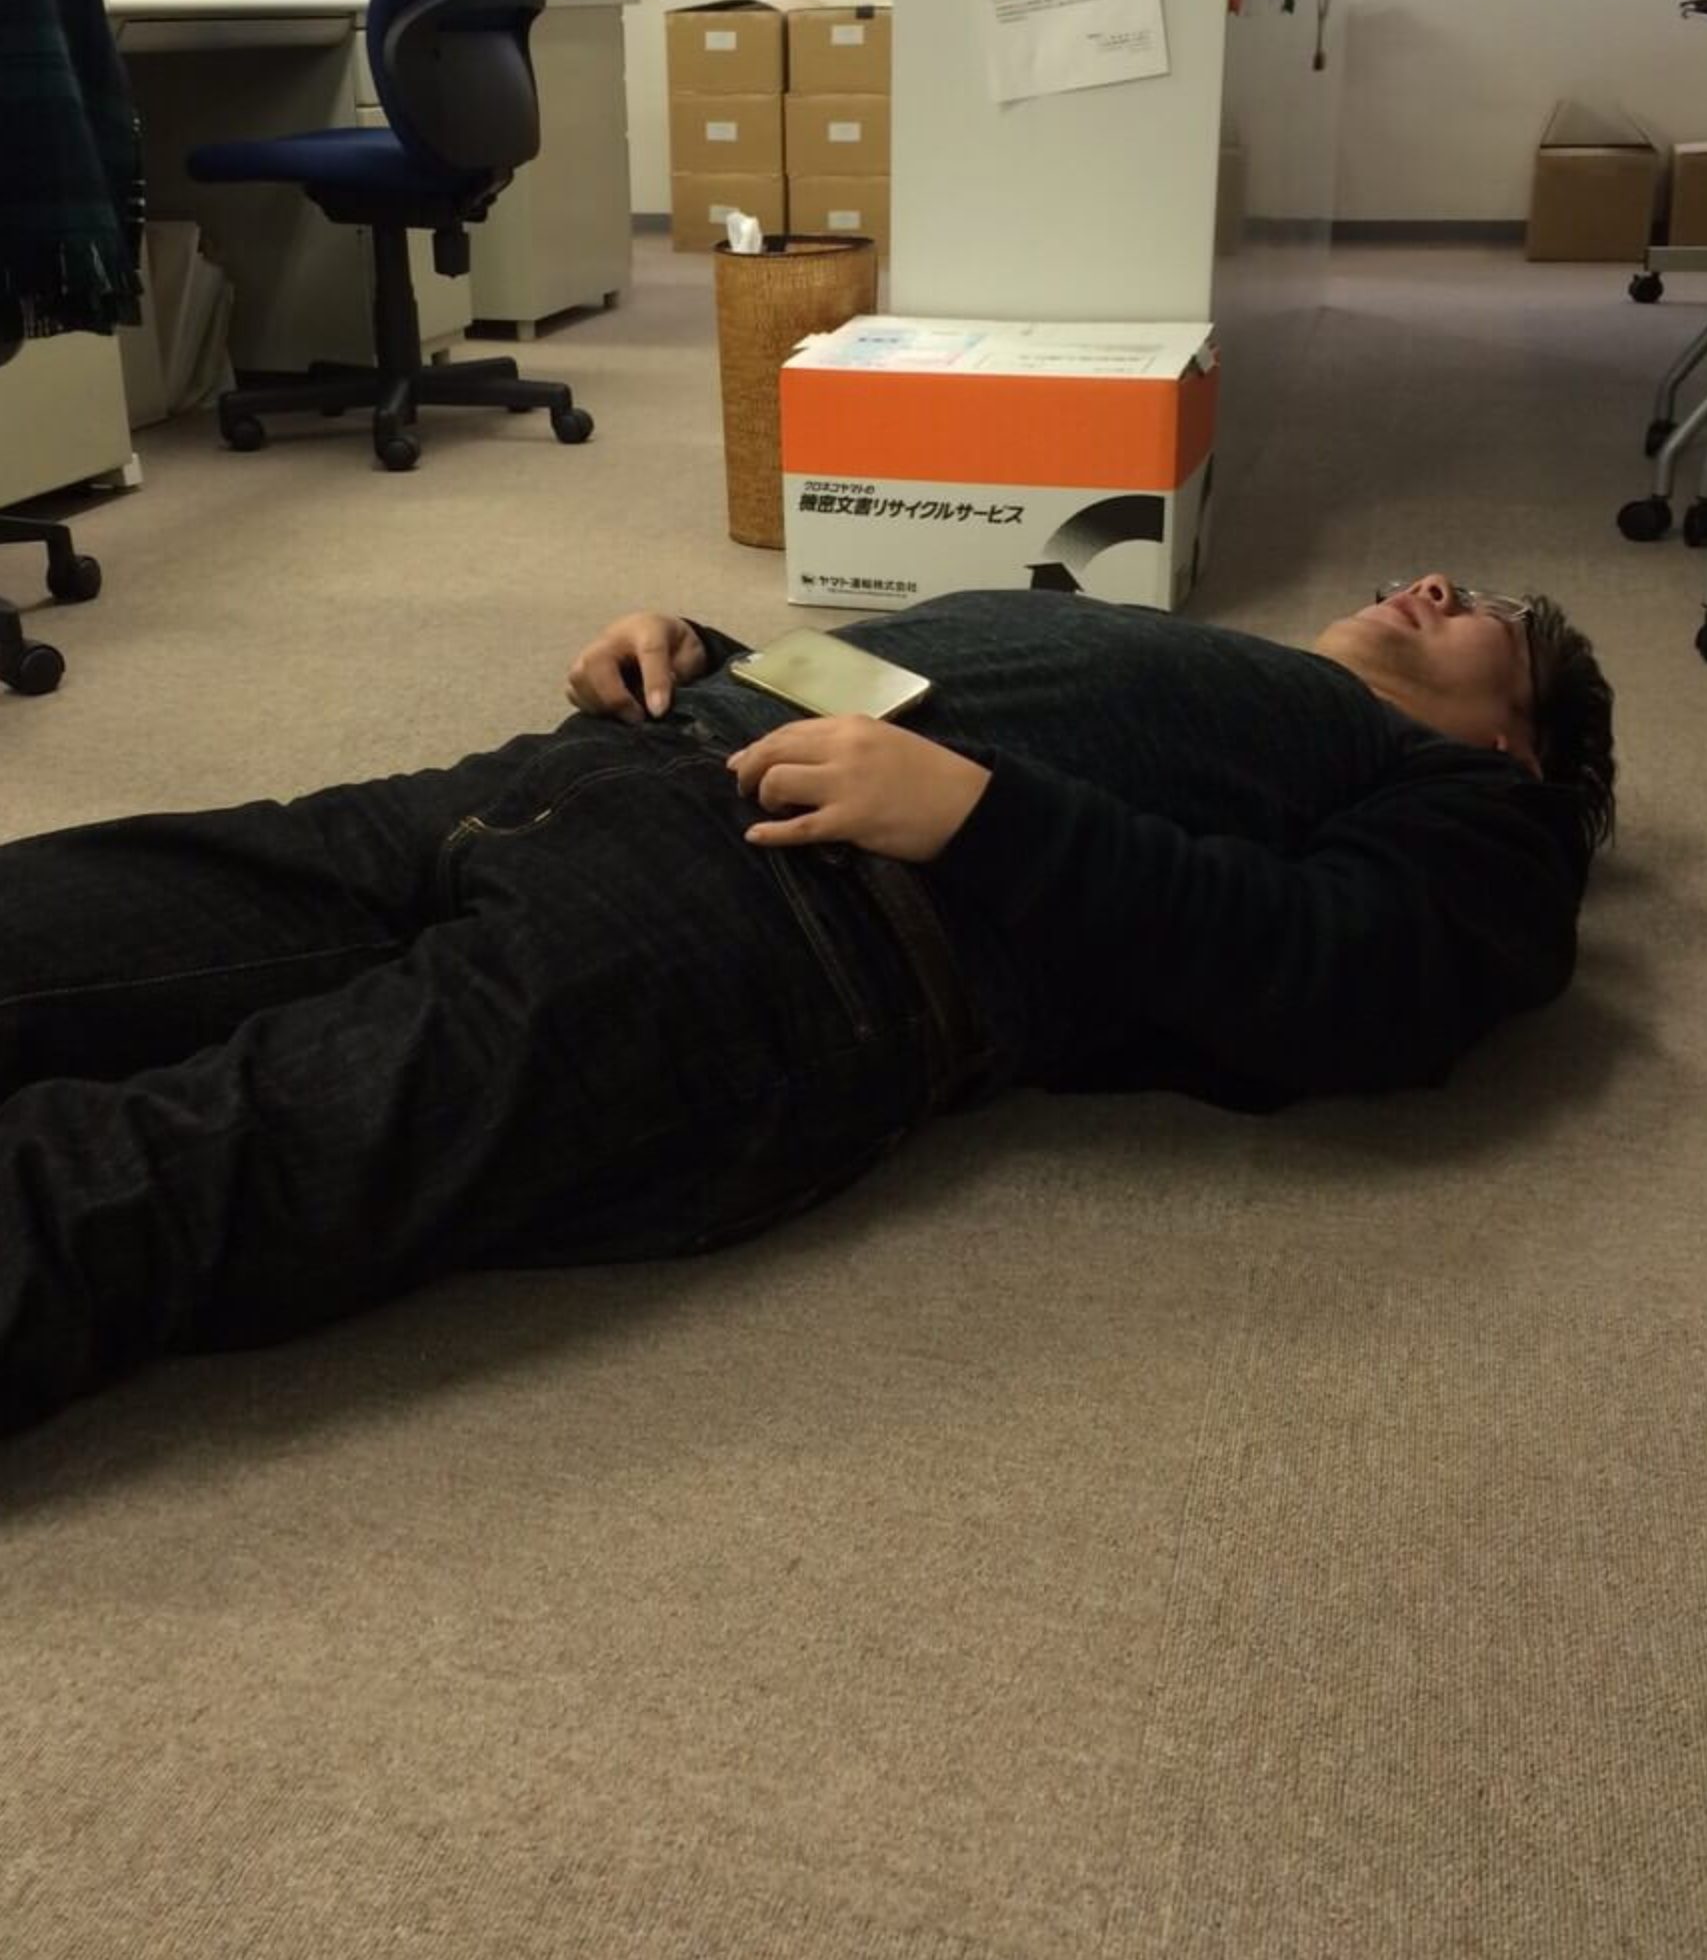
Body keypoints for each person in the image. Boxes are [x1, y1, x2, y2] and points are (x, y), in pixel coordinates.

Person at [0, 577, 1615, 1435]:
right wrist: (707, 650)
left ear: (1517, 747)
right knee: (84, 909)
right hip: (601, 766)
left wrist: (987, 818)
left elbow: (1354, 978)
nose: (1435, 583)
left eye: (1506, 621)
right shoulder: (1190, 659)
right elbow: (913, 691)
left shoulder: (1466, 804)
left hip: (800, 920)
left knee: (188, 1166)